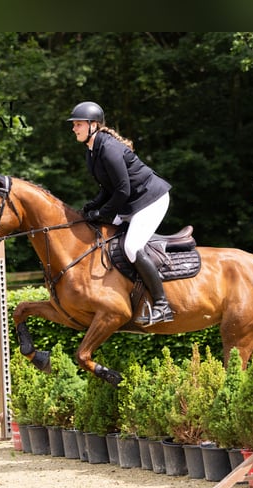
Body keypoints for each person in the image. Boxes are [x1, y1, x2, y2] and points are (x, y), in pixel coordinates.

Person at [67, 101, 174, 325]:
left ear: (93, 125)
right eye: (74, 125)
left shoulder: (108, 149)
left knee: (131, 247)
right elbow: (108, 188)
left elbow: (123, 190)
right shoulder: (91, 151)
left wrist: (102, 212)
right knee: (106, 240)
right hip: (130, 202)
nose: (74, 129)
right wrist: (92, 206)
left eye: (78, 124)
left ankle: (162, 305)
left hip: (151, 200)